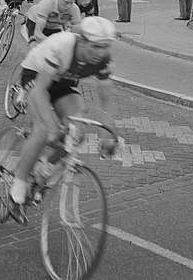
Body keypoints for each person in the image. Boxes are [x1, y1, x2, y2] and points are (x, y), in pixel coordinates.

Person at [7, 16, 118, 224]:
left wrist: (109, 135)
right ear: (82, 41)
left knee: (78, 132)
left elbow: (107, 99)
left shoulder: (103, 59)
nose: (100, 53)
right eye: (95, 47)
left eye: (105, 47)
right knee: (44, 130)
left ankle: (44, 168)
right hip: (36, 77)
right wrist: (51, 127)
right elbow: (40, 90)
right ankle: (18, 185)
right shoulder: (62, 45)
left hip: (63, 84)